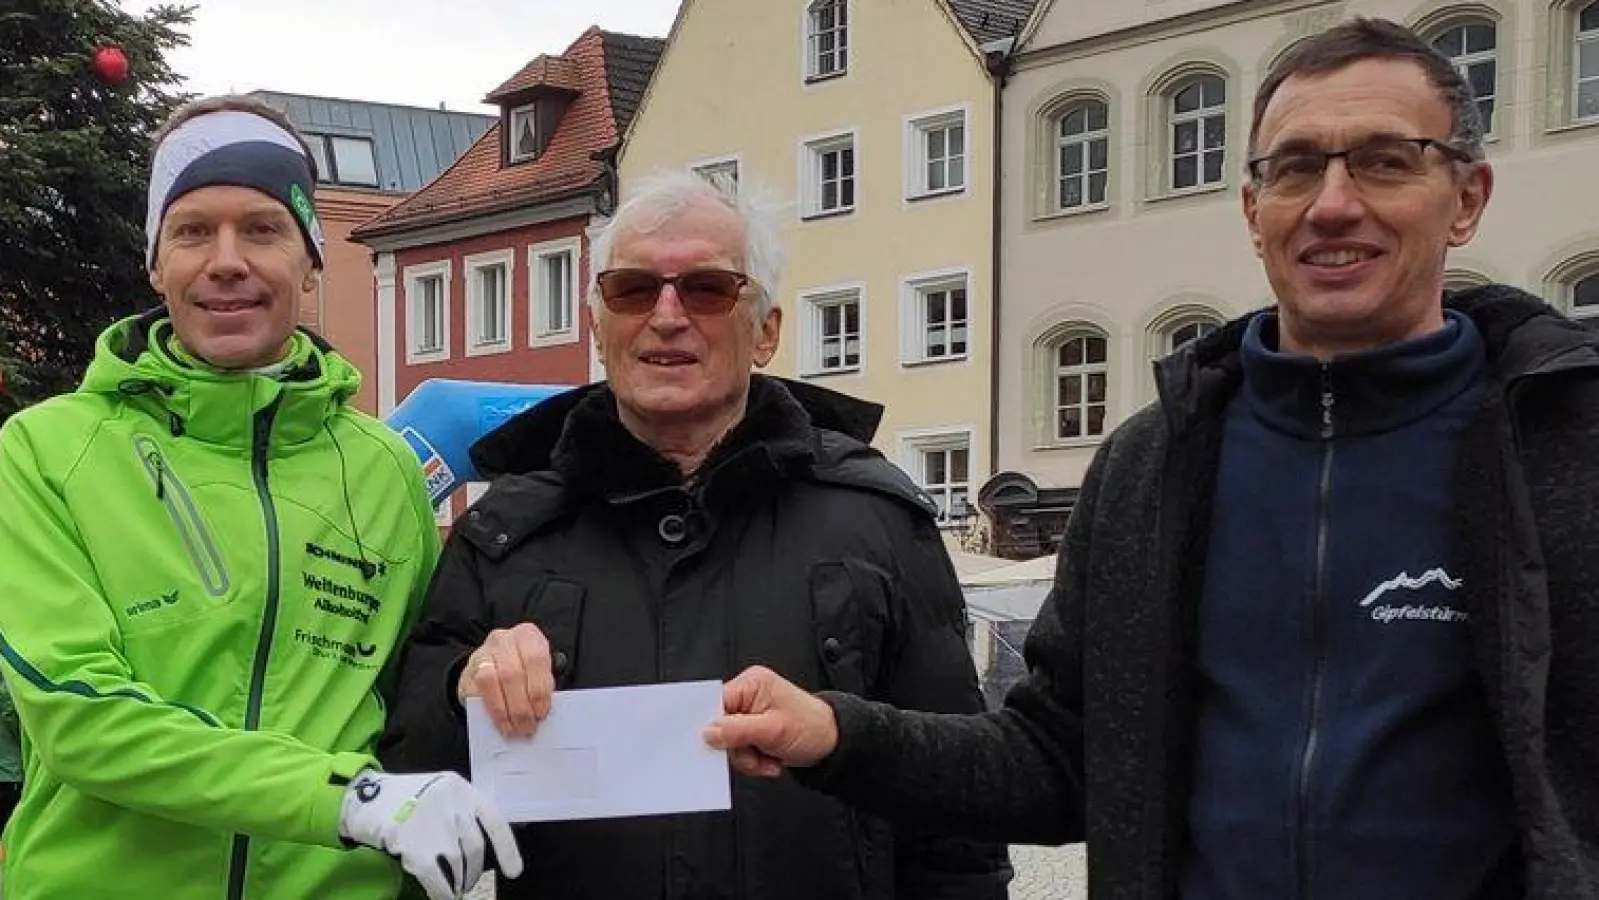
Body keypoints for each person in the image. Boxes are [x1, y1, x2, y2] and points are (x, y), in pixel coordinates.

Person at [706, 17, 1599, 899]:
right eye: (1293, 167)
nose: (1332, 202)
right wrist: (836, 733)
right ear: (1253, 210)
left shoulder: (1568, 447)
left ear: (1468, 197)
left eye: (1383, 159)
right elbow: (1057, 756)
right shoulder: (1154, 464)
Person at [377, 170, 1013, 900]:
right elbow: (410, 792)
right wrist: (464, 693)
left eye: (707, 289)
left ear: (766, 330)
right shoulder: (505, 531)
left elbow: (955, 813)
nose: (668, 316)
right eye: (633, 289)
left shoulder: (875, 519)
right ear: (598, 326)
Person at [0, 95, 520, 900]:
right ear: (156, 263)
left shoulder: (383, 467)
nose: (227, 260)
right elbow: (80, 719)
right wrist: (350, 799)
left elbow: (417, 695)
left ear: (311, 261)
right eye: (193, 230)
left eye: (264, 228)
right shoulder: (45, 450)